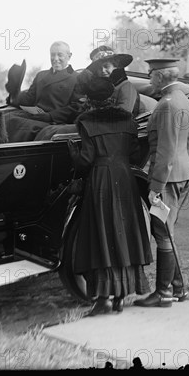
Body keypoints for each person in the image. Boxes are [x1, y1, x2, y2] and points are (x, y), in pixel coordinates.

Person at [67, 77, 153, 316]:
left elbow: (85, 160)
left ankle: (103, 299)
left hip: (101, 179)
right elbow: (135, 154)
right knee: (123, 233)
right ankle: (120, 297)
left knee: (102, 234)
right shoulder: (128, 119)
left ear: (91, 100)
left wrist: (73, 153)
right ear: (111, 97)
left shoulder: (86, 121)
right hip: (125, 178)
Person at [133, 58, 189, 308]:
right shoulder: (184, 101)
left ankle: (163, 293)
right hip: (181, 172)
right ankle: (178, 289)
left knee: (161, 232)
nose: (149, 78)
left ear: (160, 76)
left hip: (168, 177)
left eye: (151, 74)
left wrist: (156, 187)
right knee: (167, 229)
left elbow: (166, 151)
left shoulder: (168, 105)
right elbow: (188, 145)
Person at [6, 41, 80, 141]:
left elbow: (76, 107)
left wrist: (50, 116)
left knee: (15, 123)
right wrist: (14, 94)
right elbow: (29, 99)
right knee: (4, 118)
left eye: (60, 55)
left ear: (69, 56)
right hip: (34, 116)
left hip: (54, 122)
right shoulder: (41, 75)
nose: (55, 59)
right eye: (52, 55)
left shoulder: (76, 78)